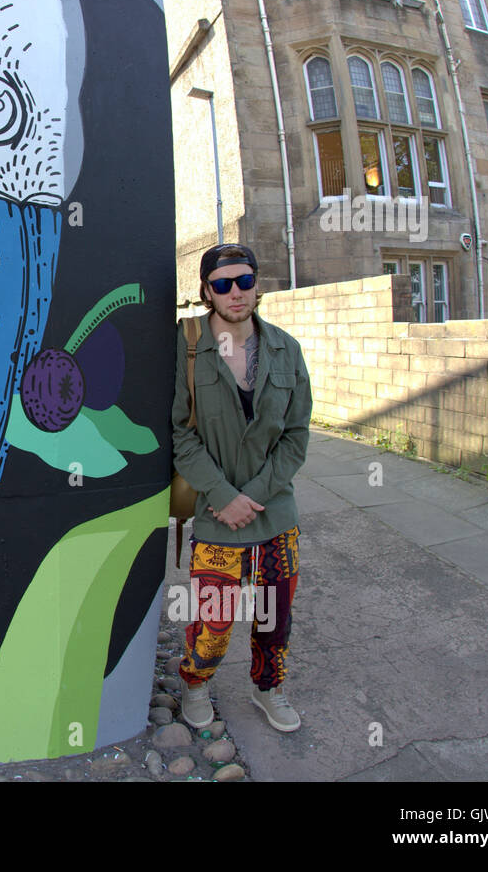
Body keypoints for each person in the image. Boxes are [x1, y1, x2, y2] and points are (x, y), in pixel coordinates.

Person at [171, 243, 311, 733]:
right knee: (212, 621)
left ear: (258, 284)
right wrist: (223, 495)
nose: (236, 292)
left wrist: (256, 493)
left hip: (275, 516)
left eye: (245, 281)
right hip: (216, 516)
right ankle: (196, 684)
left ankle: (268, 688)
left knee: (274, 620)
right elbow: (179, 434)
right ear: (207, 291)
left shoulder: (286, 350)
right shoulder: (187, 346)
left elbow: (296, 436)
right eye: (223, 284)